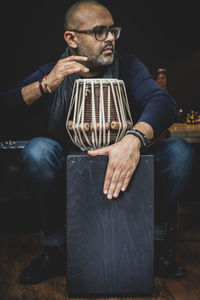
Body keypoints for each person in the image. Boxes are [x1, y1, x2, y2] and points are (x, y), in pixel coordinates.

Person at [0, 0, 196, 284]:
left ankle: (155, 246)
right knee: (38, 151)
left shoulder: (128, 65)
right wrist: (45, 84)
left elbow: (163, 103)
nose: (110, 39)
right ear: (72, 38)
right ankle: (55, 249)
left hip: (128, 164)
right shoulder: (52, 71)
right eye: (99, 32)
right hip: (71, 167)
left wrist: (133, 139)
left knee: (179, 152)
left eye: (113, 30)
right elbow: (6, 105)